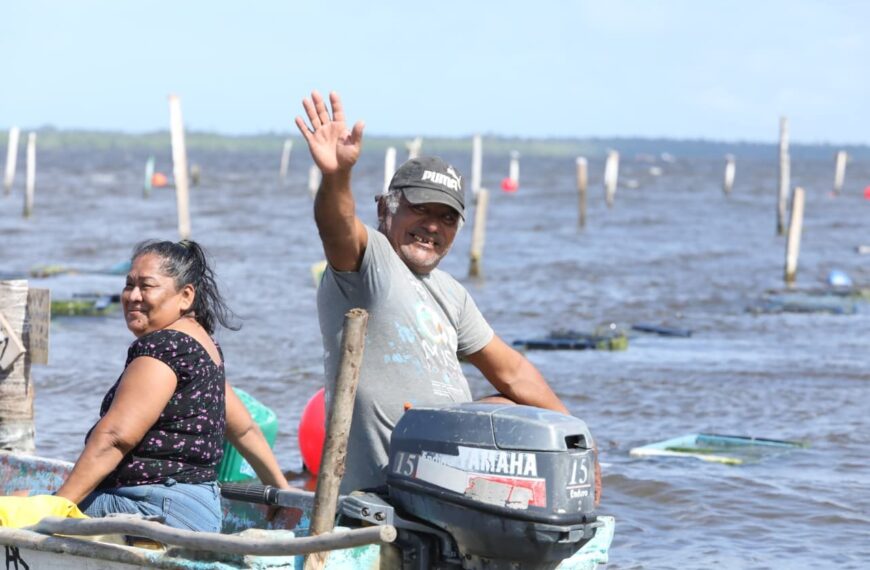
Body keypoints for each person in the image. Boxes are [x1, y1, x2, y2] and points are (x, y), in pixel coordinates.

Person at [295, 91, 595, 497]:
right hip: (381, 492)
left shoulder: (451, 293)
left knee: (514, 410)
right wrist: (336, 177)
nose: (433, 227)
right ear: (386, 209)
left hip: (447, 484)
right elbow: (337, 224)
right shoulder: (371, 263)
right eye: (421, 210)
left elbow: (513, 372)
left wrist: (578, 442)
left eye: (447, 218)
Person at [55, 240, 290, 532]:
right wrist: (281, 490)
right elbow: (245, 429)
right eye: (129, 284)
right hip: (200, 512)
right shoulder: (203, 347)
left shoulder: (164, 347)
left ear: (185, 296)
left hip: (151, 509)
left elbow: (115, 437)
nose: (133, 296)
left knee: (24, 500)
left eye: (147, 286)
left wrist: (54, 509)